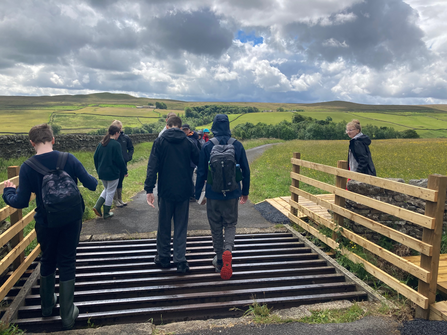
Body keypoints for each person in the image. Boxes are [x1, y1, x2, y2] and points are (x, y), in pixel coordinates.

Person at [2, 123, 98, 330]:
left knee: (47, 259)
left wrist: (7, 192)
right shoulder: (69, 158)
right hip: (72, 221)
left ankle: (46, 306)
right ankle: (67, 315)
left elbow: (21, 202)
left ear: (31, 143)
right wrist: (92, 179)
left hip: (46, 222)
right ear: (53, 139)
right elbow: (91, 184)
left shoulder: (28, 166)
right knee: (67, 261)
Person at [195, 114, 250, 280]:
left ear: (213, 127)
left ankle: (219, 259)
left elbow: (201, 172)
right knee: (231, 223)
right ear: (228, 127)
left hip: (213, 194)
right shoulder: (238, 145)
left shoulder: (207, 146)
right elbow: (246, 171)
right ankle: (228, 250)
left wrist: (199, 194)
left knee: (216, 227)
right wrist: (245, 191)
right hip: (232, 193)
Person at [145, 116, 200, 273]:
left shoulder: (160, 142)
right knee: (181, 226)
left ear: (167, 126)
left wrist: (149, 189)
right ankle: (180, 260)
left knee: (164, 224)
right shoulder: (188, 142)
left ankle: (163, 257)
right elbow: (200, 161)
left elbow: (152, 167)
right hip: (183, 191)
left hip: (165, 191)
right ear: (181, 127)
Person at [93, 125, 128, 219]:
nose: (119, 136)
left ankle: (97, 206)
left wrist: (98, 169)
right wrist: (125, 171)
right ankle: (106, 213)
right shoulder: (116, 144)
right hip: (112, 173)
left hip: (102, 172)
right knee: (111, 192)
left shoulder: (102, 143)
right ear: (116, 133)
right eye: (119, 133)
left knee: (107, 189)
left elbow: (95, 157)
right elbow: (120, 160)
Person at [111, 120, 134, 207]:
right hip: (114, 164)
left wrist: (128, 157)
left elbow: (131, 148)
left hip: (123, 163)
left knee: (120, 181)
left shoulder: (126, 138)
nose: (120, 129)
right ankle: (115, 200)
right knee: (114, 182)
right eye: (118, 128)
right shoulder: (111, 139)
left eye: (120, 127)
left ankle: (120, 199)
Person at [182, 123, 201, 201]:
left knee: (189, 179)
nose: (185, 131)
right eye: (184, 129)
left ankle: (191, 195)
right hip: (188, 162)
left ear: (189, 130)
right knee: (189, 178)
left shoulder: (192, 139)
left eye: (186, 129)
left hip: (190, 162)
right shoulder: (190, 138)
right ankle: (190, 194)